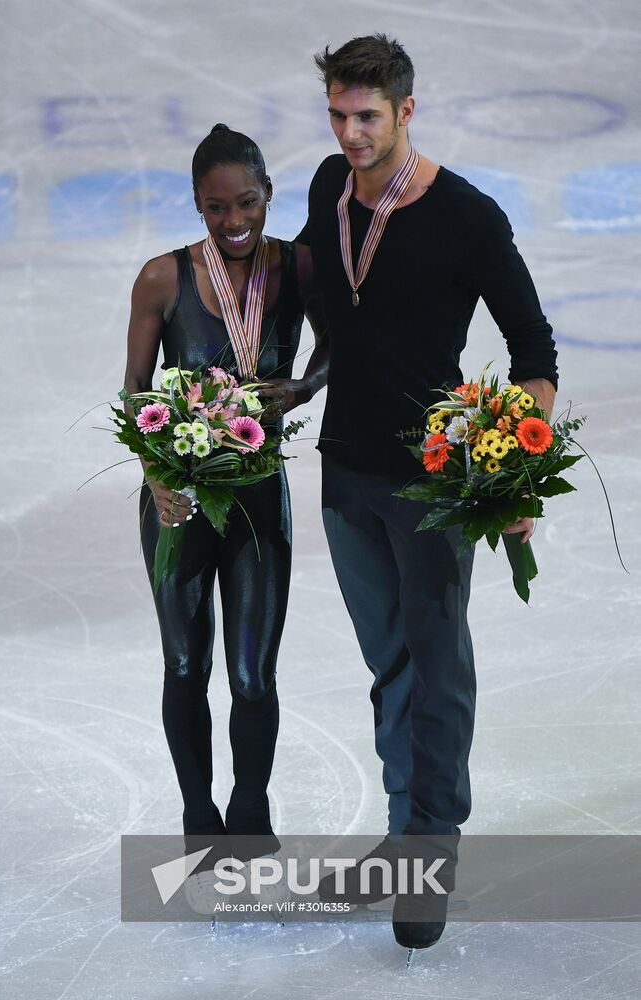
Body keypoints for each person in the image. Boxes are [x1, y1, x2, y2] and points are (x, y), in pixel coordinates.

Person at [295, 34, 558, 951]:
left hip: (432, 487)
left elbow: (534, 352)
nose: (350, 133)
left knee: (437, 666)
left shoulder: (466, 217)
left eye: (366, 116)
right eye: (338, 114)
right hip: (344, 474)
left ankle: (429, 848)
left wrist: (516, 473)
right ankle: (403, 829)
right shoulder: (328, 187)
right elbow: (325, 303)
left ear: (406, 110)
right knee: (391, 666)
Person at [122, 124, 327, 904]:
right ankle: (197, 819)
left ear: (268, 194)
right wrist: (156, 475)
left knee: (250, 675)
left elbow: (338, 346)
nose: (233, 221)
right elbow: (136, 390)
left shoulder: (299, 267)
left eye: (246, 203)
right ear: (196, 205)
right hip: (179, 498)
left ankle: (250, 814)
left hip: (257, 497)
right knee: (185, 666)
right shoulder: (161, 278)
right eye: (215, 208)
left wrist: (302, 388)